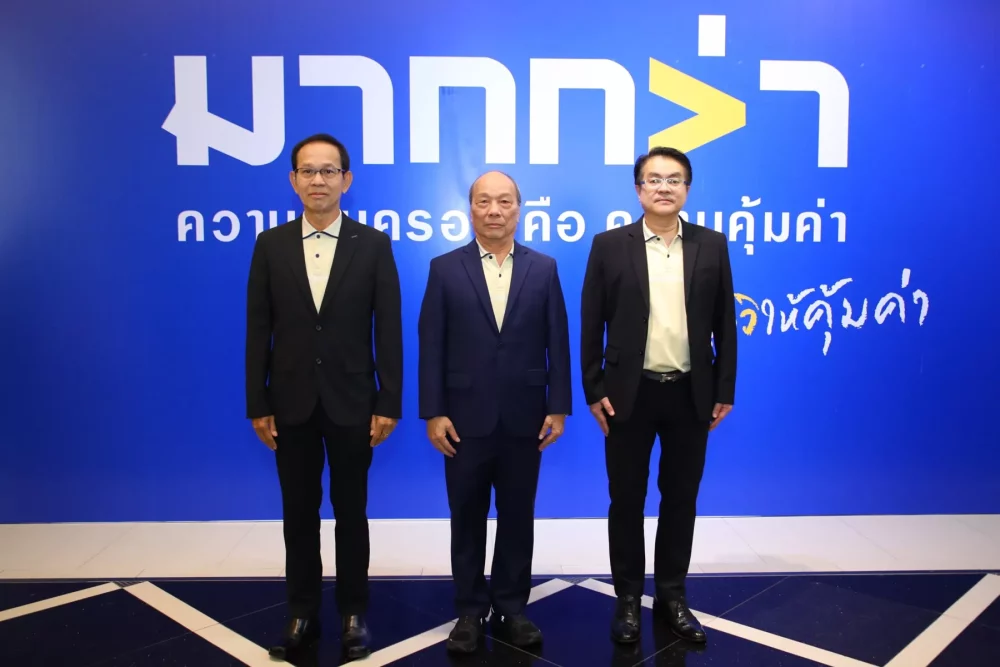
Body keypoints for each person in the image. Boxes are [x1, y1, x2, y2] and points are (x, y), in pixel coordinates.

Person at [245, 133, 403, 661]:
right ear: (293, 181)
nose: (318, 180)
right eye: (308, 171)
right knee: (298, 513)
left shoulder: (373, 244)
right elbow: (258, 328)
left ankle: (354, 613)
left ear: (346, 180)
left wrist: (388, 401)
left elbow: (389, 330)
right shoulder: (270, 245)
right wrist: (258, 402)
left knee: (351, 511)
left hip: (353, 401)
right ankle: (302, 613)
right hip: (290, 404)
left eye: (329, 171)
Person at [580, 147, 737, 644]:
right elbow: (590, 322)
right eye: (653, 179)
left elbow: (725, 324)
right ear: (638, 189)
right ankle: (627, 598)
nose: (663, 187)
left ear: (687, 188)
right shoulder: (609, 245)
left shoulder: (711, 244)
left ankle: (672, 596)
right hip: (628, 395)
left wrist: (724, 388)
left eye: (674, 179)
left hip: (691, 393)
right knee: (626, 499)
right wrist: (593, 389)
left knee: (681, 498)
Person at [418, 171, 572, 653]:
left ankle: (510, 607)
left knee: (517, 515)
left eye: (504, 201)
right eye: (484, 201)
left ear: (519, 209)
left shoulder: (544, 268)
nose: (494, 210)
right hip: (463, 419)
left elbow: (558, 341)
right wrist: (433, 411)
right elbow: (431, 344)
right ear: (470, 210)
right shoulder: (445, 268)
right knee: (466, 515)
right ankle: (469, 610)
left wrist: (559, 406)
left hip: (526, 417)